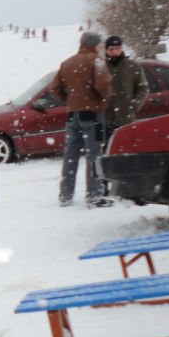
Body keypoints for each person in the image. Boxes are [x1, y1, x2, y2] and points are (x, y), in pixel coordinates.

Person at [49, 30, 112, 207]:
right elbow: (104, 86)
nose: (101, 47)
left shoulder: (67, 63)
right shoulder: (97, 61)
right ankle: (94, 196)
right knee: (95, 154)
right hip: (93, 115)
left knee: (71, 155)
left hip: (72, 116)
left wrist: (70, 100)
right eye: (100, 44)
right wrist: (102, 101)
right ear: (94, 44)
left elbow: (54, 89)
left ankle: (65, 195)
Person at [104, 34, 149, 142]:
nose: (115, 52)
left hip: (126, 119)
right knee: (106, 149)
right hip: (105, 120)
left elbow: (143, 88)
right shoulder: (101, 67)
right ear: (106, 50)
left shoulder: (132, 66)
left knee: (127, 147)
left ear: (121, 49)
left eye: (117, 48)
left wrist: (135, 105)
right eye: (111, 49)